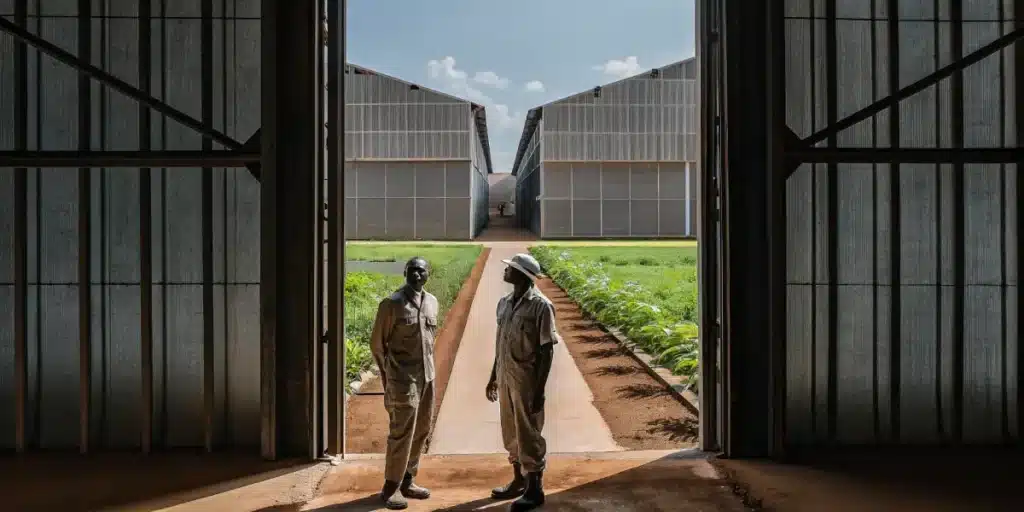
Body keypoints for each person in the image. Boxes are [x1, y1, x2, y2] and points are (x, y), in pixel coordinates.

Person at [485, 253, 561, 511]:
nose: (506, 271)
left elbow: (546, 351)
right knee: (511, 431)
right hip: (506, 378)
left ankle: (535, 489)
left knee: (529, 434)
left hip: (526, 382)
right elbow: (501, 342)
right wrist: (493, 376)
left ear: (523, 276)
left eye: (511, 269)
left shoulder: (541, 306)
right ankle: (518, 480)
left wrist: (539, 391)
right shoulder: (505, 303)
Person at [369, 256, 439, 510]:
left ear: (428, 274)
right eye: (412, 270)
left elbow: (430, 340)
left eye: (422, 270)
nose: (417, 275)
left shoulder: (432, 302)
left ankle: (409, 479)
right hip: (402, 379)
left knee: (422, 429)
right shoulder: (392, 304)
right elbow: (378, 345)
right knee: (401, 432)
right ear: (405, 272)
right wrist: (387, 376)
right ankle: (391, 486)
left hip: (427, 376)